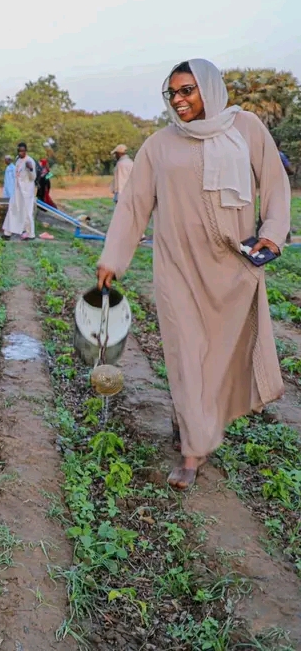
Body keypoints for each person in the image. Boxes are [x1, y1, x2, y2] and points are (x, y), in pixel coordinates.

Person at [98, 58, 289, 491]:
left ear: (209, 88)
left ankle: (190, 416)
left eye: (188, 91)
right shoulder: (159, 145)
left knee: (218, 357)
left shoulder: (247, 128)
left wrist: (273, 235)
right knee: (186, 353)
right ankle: (191, 452)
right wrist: (113, 258)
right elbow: (133, 206)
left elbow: (275, 185)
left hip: (232, 266)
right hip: (178, 267)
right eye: (173, 94)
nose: (179, 101)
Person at [2, 143, 37, 240]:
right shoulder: (18, 160)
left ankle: (30, 234)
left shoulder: (30, 161)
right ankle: (7, 233)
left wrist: (30, 169)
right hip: (17, 190)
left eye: (23, 151)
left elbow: (33, 177)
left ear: (26, 151)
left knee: (27, 212)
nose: (21, 153)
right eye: (19, 151)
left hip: (26, 192)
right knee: (12, 209)